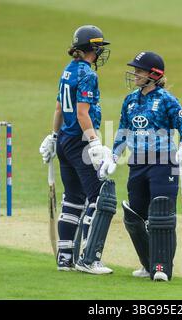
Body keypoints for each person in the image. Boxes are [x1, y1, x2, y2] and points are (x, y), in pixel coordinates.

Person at [99, 51, 182, 281]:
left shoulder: (166, 99)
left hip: (163, 162)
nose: (135, 74)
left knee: (160, 214)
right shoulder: (131, 100)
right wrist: (113, 156)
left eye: (139, 71)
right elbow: (123, 130)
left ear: (153, 74)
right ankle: (147, 263)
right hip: (137, 164)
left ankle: (161, 268)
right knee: (135, 216)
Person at [39, 25, 117, 275]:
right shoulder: (88, 75)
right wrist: (94, 142)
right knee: (97, 198)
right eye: (99, 47)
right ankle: (88, 258)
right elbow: (82, 113)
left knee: (73, 199)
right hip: (80, 142)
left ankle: (64, 258)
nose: (100, 52)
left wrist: (54, 136)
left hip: (64, 140)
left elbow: (59, 109)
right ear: (91, 48)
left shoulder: (68, 70)